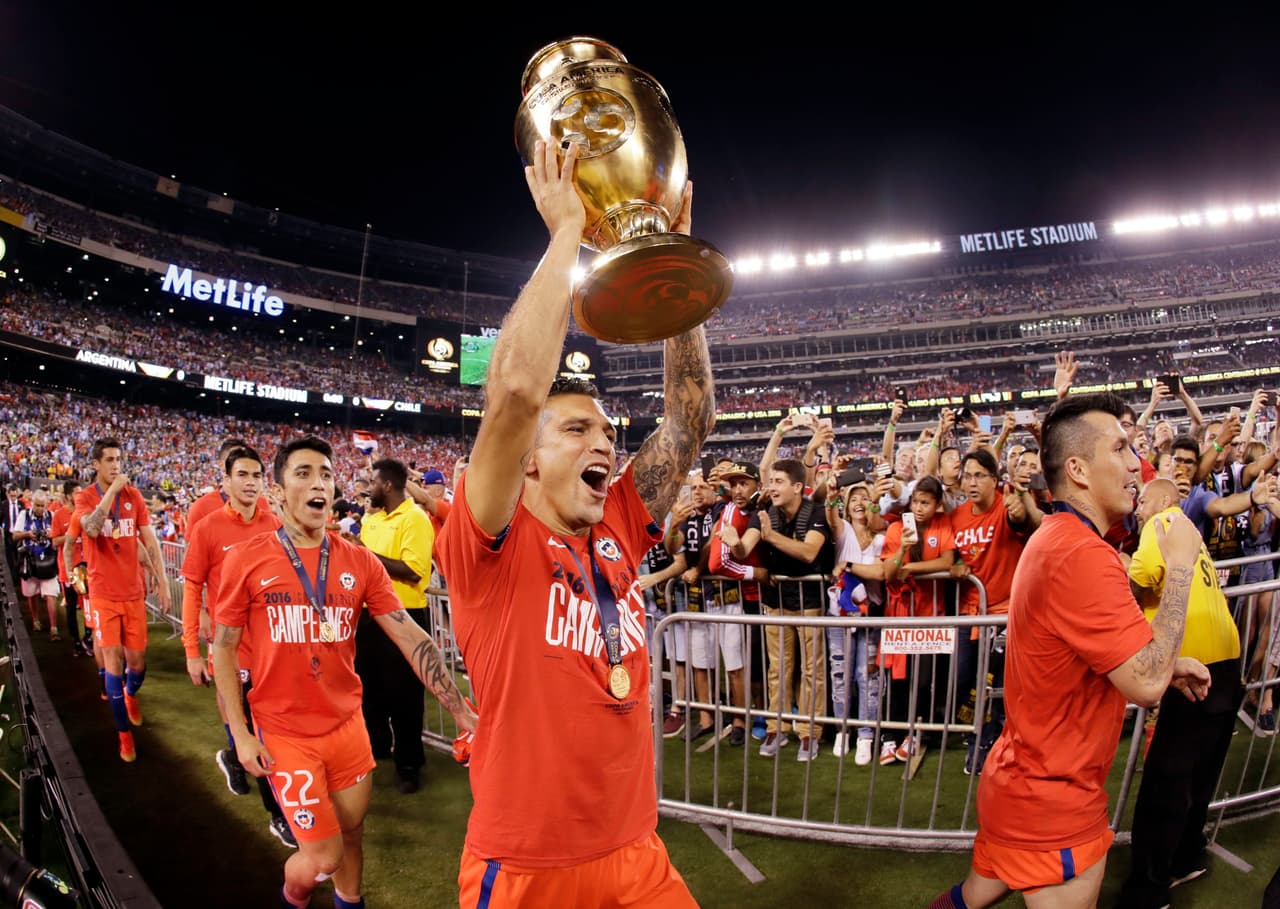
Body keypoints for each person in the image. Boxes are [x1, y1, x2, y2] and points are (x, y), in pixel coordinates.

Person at [436, 140, 711, 907]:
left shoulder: (619, 518)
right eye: (577, 431)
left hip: (637, 854)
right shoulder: (487, 540)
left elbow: (690, 422)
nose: (605, 442)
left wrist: (672, 261)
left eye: (607, 432)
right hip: (527, 869)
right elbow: (519, 391)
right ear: (525, 460)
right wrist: (564, 230)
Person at [928, 392, 1212, 909]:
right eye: (1121, 448)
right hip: (1053, 799)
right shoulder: (1085, 554)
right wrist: (1180, 567)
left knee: (969, 899)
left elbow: (1079, 651)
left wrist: (1164, 665)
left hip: (1016, 780)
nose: (1135, 462)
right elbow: (1143, 684)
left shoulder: (1055, 535)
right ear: (1078, 469)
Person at [213, 436, 475, 909]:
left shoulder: (358, 560)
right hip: (285, 733)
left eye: (327, 475)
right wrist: (240, 732)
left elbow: (411, 636)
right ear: (277, 491)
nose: (319, 483)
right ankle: (294, 894)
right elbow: (225, 649)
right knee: (323, 856)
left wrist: (460, 709)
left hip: (347, 728)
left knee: (352, 835)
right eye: (304, 473)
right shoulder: (246, 559)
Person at [1116, 478, 1251, 909]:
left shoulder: (1162, 525)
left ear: (1166, 500)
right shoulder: (1190, 534)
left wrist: (1115, 564)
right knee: (1201, 773)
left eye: (1143, 501)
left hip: (1194, 669)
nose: (1137, 509)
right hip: (1228, 663)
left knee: (1165, 785)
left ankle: (1149, 889)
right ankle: (1188, 856)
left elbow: (1135, 588)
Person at [179, 444, 295, 847]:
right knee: (250, 726)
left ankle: (234, 757)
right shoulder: (208, 527)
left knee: (272, 728)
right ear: (225, 481)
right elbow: (192, 588)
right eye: (241, 475)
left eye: (256, 476)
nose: (250, 483)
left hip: (272, 647)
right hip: (231, 650)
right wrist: (192, 650)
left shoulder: (273, 523)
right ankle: (278, 815)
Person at [728, 458, 834, 762]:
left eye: (778, 482)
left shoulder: (814, 512)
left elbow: (809, 551)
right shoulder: (764, 514)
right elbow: (745, 548)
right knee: (778, 668)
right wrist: (734, 544)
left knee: (812, 669)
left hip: (810, 601)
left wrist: (770, 535)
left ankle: (809, 732)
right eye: (770, 481)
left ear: (798, 487)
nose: (771, 487)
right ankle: (777, 727)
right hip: (775, 600)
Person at [71, 438, 170, 762]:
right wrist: (111, 492)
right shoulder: (85, 497)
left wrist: (162, 579)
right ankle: (124, 735)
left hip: (133, 594)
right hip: (102, 595)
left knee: (137, 665)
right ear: (96, 464)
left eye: (119, 459)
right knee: (113, 662)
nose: (116, 465)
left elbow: (148, 541)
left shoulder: (135, 496)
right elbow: (92, 530)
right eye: (110, 460)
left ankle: (130, 694)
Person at [353, 456, 436, 794]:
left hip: (406, 615)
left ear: (387, 485)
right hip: (368, 616)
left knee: (404, 696)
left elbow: (413, 570)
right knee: (369, 689)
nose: (368, 488)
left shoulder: (415, 519)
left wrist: (363, 555)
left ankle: (409, 763)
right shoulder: (372, 521)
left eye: (372, 482)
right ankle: (377, 746)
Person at [50, 479, 92, 656]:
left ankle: (88, 639)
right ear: (68, 496)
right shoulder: (59, 515)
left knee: (89, 606)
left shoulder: (86, 513)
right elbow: (54, 541)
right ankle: (75, 642)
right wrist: (71, 536)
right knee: (71, 607)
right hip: (68, 570)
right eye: (76, 492)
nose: (80, 495)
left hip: (88, 569)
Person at [13, 489, 60, 637]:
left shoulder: (52, 516)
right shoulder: (24, 515)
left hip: (48, 558)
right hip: (30, 559)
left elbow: (58, 536)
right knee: (31, 593)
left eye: (42, 505)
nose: (40, 508)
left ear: (47, 505)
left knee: (51, 594)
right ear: (32, 504)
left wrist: (50, 533)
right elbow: (15, 536)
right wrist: (28, 534)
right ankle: (35, 621)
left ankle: (53, 627)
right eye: (37, 505)